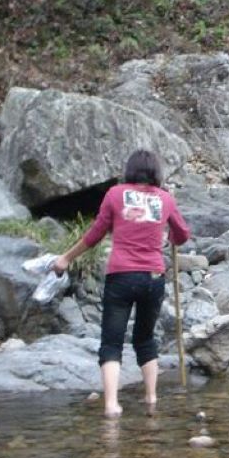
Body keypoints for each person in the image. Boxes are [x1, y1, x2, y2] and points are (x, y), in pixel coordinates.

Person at [54, 149, 191, 418]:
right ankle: (151, 399)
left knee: (112, 342)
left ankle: (112, 405)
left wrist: (66, 258)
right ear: (156, 173)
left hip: (121, 276)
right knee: (145, 339)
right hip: (153, 277)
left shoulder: (116, 195)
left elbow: (95, 234)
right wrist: (172, 238)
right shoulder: (165, 199)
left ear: (129, 170)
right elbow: (183, 234)